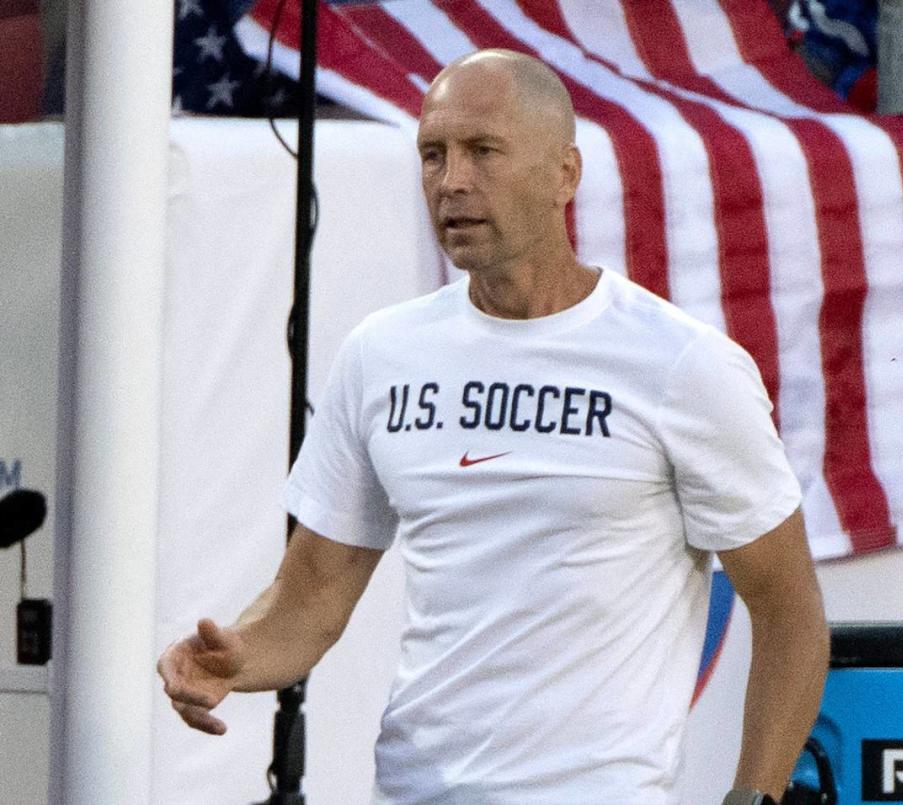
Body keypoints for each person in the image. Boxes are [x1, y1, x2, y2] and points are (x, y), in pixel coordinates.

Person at [158, 49, 829, 805]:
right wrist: (237, 656)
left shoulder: (682, 366)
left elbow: (790, 611)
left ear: (565, 175)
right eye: (433, 155)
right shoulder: (382, 356)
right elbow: (312, 594)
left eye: (483, 151)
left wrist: (755, 799)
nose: (453, 182)